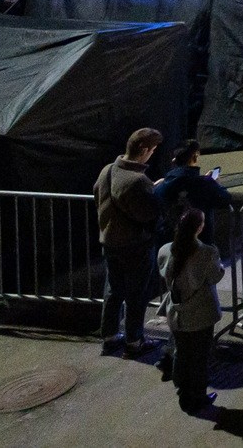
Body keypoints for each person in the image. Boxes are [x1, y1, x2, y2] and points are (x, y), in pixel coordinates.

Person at [94, 126, 164, 356]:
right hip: (135, 246)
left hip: (109, 241)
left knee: (113, 290)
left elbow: (101, 194)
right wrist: (157, 195)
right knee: (136, 294)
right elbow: (148, 214)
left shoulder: (107, 171)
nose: (153, 154)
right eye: (152, 150)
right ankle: (135, 341)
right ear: (143, 150)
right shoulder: (138, 180)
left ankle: (110, 335)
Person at [160, 206, 223, 415]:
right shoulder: (206, 252)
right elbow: (215, 276)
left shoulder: (166, 250)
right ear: (199, 228)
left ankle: (182, 390)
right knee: (199, 356)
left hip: (177, 313)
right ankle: (198, 395)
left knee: (182, 351)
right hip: (200, 313)